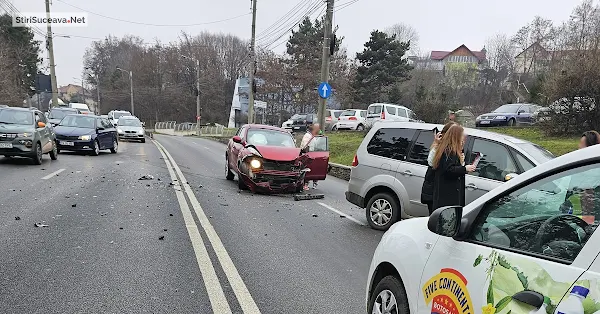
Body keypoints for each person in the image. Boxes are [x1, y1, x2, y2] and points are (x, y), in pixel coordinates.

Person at [431, 124, 476, 210]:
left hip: (449, 196)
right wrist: (465, 168)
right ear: (456, 136)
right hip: (447, 196)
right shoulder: (449, 150)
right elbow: (449, 170)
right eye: (462, 135)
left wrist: (462, 164)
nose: (464, 137)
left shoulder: (453, 149)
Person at [421, 122, 458, 214]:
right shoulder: (440, 147)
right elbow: (431, 163)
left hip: (442, 192)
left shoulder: (453, 148)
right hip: (433, 191)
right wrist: (436, 143)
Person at [300, 123, 321, 190]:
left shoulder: (313, 136)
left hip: (313, 155)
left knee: (313, 169)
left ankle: (313, 182)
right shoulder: (307, 136)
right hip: (307, 156)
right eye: (318, 128)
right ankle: (305, 183)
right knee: (307, 170)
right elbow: (306, 147)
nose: (319, 130)